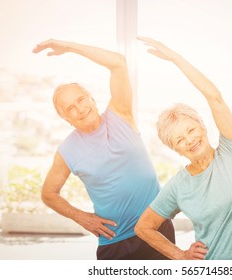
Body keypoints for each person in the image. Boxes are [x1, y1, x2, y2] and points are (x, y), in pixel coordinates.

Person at [134, 37, 232, 260]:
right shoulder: (179, 186)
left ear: (202, 126)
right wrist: (180, 255)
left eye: (191, 130)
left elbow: (215, 98)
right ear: (176, 149)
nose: (189, 141)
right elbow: (143, 227)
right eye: (179, 140)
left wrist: (175, 58)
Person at [32, 39, 175, 260]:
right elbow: (48, 194)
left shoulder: (120, 114)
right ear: (65, 117)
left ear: (91, 98)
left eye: (81, 99)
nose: (80, 109)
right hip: (117, 242)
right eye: (70, 108)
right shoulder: (67, 151)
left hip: (157, 229)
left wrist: (70, 47)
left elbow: (118, 63)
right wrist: (82, 218)